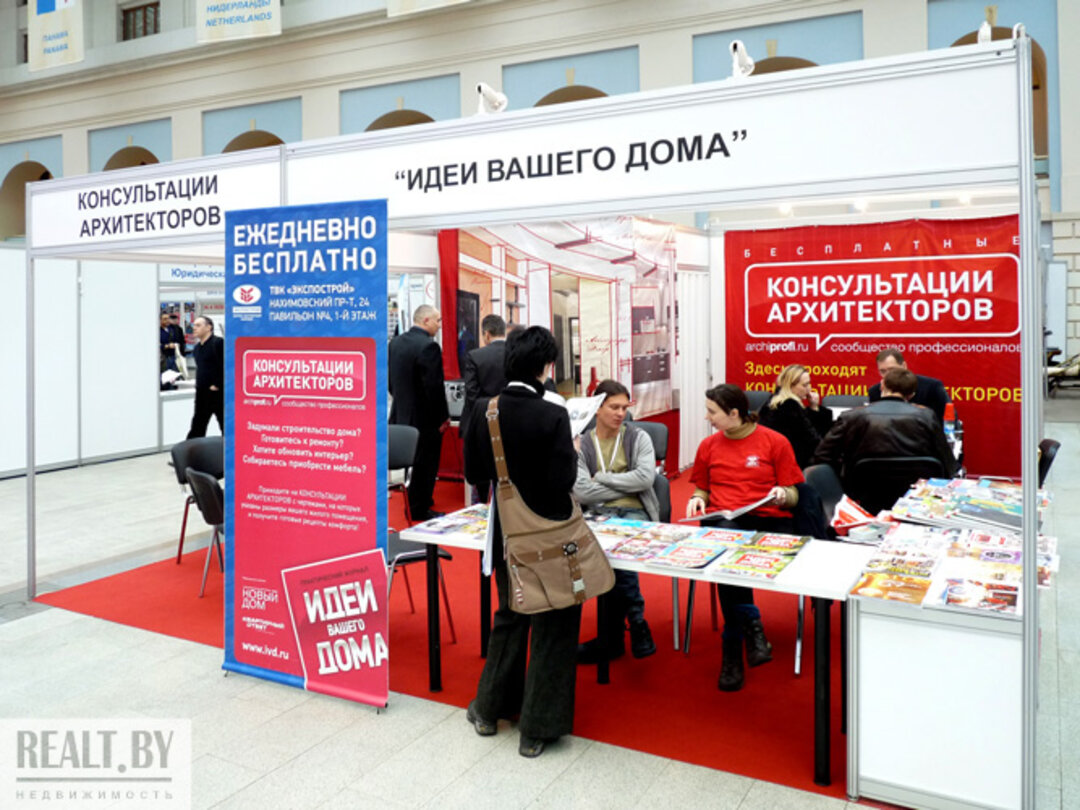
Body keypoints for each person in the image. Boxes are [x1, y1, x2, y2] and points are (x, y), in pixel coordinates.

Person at [461, 326, 581, 758]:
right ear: (547, 366)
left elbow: (475, 473)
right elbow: (562, 481)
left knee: (511, 615)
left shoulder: (482, 410)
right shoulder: (553, 414)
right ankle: (537, 728)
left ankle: (489, 710)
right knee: (554, 620)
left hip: (504, 530)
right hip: (549, 529)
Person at [686, 383, 804, 692]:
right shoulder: (708, 445)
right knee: (726, 548)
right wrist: (698, 499)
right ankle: (749, 630)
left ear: (734, 413)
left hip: (768, 521)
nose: (708, 417)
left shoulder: (774, 442)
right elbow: (703, 488)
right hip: (725, 522)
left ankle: (733, 646)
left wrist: (782, 495)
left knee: (727, 560)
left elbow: (794, 492)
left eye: (712, 412)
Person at [572, 379, 657, 662]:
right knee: (609, 558)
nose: (621, 413)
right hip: (598, 513)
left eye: (624, 407)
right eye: (614, 407)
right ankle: (635, 623)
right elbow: (582, 490)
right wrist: (625, 483)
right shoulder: (582, 443)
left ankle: (614, 636)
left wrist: (604, 478)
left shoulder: (638, 437)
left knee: (618, 555)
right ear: (597, 408)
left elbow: (646, 478)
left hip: (634, 512)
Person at [812, 367, 957, 506]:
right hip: (916, 498)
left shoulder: (851, 417)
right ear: (912, 394)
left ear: (882, 386)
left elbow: (821, 455)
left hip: (863, 495)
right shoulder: (927, 416)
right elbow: (948, 463)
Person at [389, 305, 450, 522]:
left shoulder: (394, 343)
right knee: (426, 462)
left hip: (400, 413)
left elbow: (390, 382)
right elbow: (433, 388)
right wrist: (443, 417)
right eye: (438, 320)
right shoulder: (429, 347)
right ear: (425, 320)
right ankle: (419, 507)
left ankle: (416, 497)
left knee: (412, 462)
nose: (439, 325)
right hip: (424, 419)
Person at [757, 364, 833, 468]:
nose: (809, 389)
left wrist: (813, 407)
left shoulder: (773, 401)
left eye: (809, 384)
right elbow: (815, 443)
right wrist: (815, 409)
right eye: (804, 385)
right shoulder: (790, 406)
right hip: (792, 465)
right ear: (790, 385)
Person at [868, 347, 951, 423]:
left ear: (904, 366)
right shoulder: (875, 392)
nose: (888, 375)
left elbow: (949, 419)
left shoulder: (932, 387)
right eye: (883, 371)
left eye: (892, 369)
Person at [462, 314, 507, 424]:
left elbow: (471, 391)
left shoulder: (474, 356)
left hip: (479, 418)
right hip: (508, 417)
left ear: (487, 334)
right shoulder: (516, 354)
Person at [186, 315, 224, 438]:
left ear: (209, 327)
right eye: (194, 325)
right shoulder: (197, 348)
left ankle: (232, 453)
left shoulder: (218, 343)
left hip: (217, 393)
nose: (194, 328)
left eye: (198, 325)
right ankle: (190, 455)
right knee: (198, 425)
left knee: (225, 424)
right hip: (202, 392)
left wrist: (217, 384)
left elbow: (227, 366)